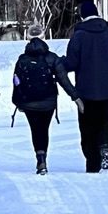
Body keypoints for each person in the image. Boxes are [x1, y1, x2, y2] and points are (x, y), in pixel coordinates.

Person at [62, 0, 108, 172]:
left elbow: (71, 63)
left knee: (88, 127)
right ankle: (106, 146)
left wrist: (56, 63)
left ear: (81, 16)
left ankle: (92, 162)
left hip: (86, 92)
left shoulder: (78, 35)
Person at [9, 35, 73, 174]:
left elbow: (16, 81)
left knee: (35, 129)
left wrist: (17, 101)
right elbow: (63, 78)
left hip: (29, 102)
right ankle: (43, 157)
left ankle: (40, 157)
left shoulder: (22, 59)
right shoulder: (51, 58)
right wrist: (75, 96)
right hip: (48, 102)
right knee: (44, 129)